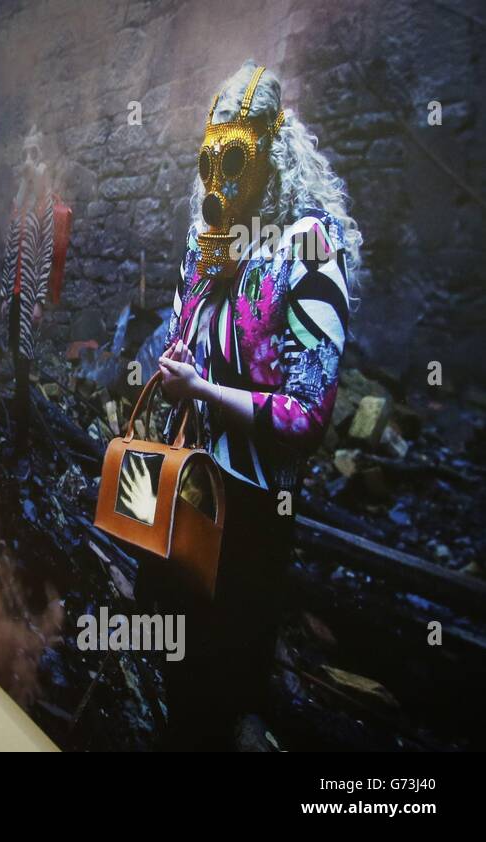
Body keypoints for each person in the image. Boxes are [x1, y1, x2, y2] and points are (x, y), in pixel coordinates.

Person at [138, 62, 362, 749]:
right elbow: (177, 347)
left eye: (234, 159)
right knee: (170, 667)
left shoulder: (310, 248)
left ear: (273, 149)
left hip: (254, 512)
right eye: (210, 159)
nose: (218, 180)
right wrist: (178, 363)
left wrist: (202, 389)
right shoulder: (206, 247)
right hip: (183, 486)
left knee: (220, 683)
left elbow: (305, 418)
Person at [0, 125, 60, 473]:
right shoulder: (19, 205)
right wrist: (6, 294)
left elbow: (46, 254)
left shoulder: (44, 204)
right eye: (24, 155)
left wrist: (38, 301)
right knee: (14, 360)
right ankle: (16, 430)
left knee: (24, 364)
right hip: (14, 298)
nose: (27, 162)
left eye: (33, 155)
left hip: (30, 300)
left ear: (43, 160)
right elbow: (9, 254)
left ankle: (20, 443)